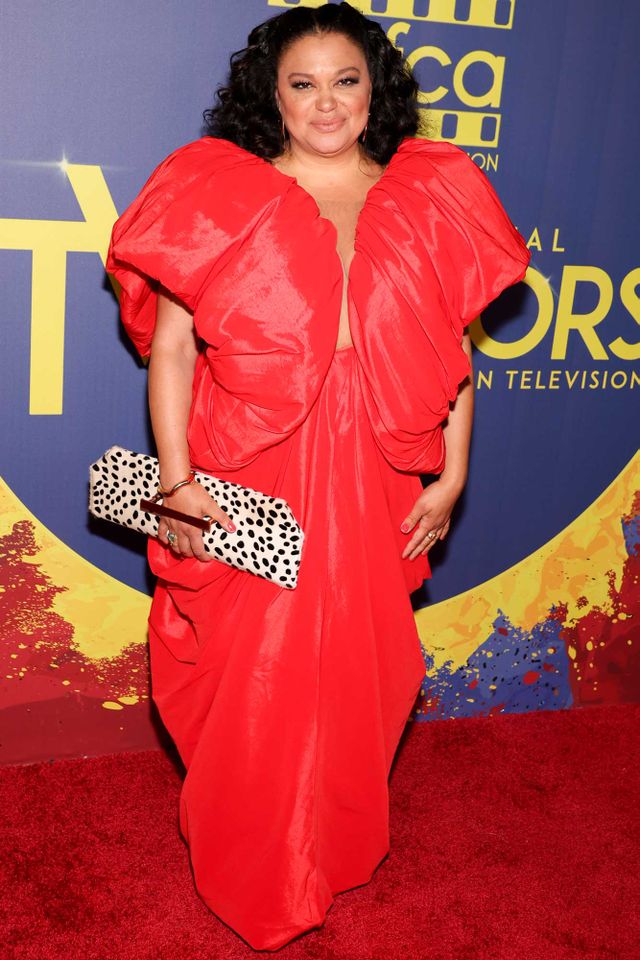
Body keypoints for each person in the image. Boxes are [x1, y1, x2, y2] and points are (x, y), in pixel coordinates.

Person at [105, 2, 530, 950]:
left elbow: (451, 352)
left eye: (345, 80)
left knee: (360, 671)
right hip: (254, 462)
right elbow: (172, 352)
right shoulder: (220, 190)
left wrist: (453, 473)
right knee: (251, 676)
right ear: (273, 94)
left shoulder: (432, 193)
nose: (326, 102)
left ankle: (327, 843)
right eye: (303, 83)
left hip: (380, 462)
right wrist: (176, 479)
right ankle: (259, 860)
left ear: (375, 89)